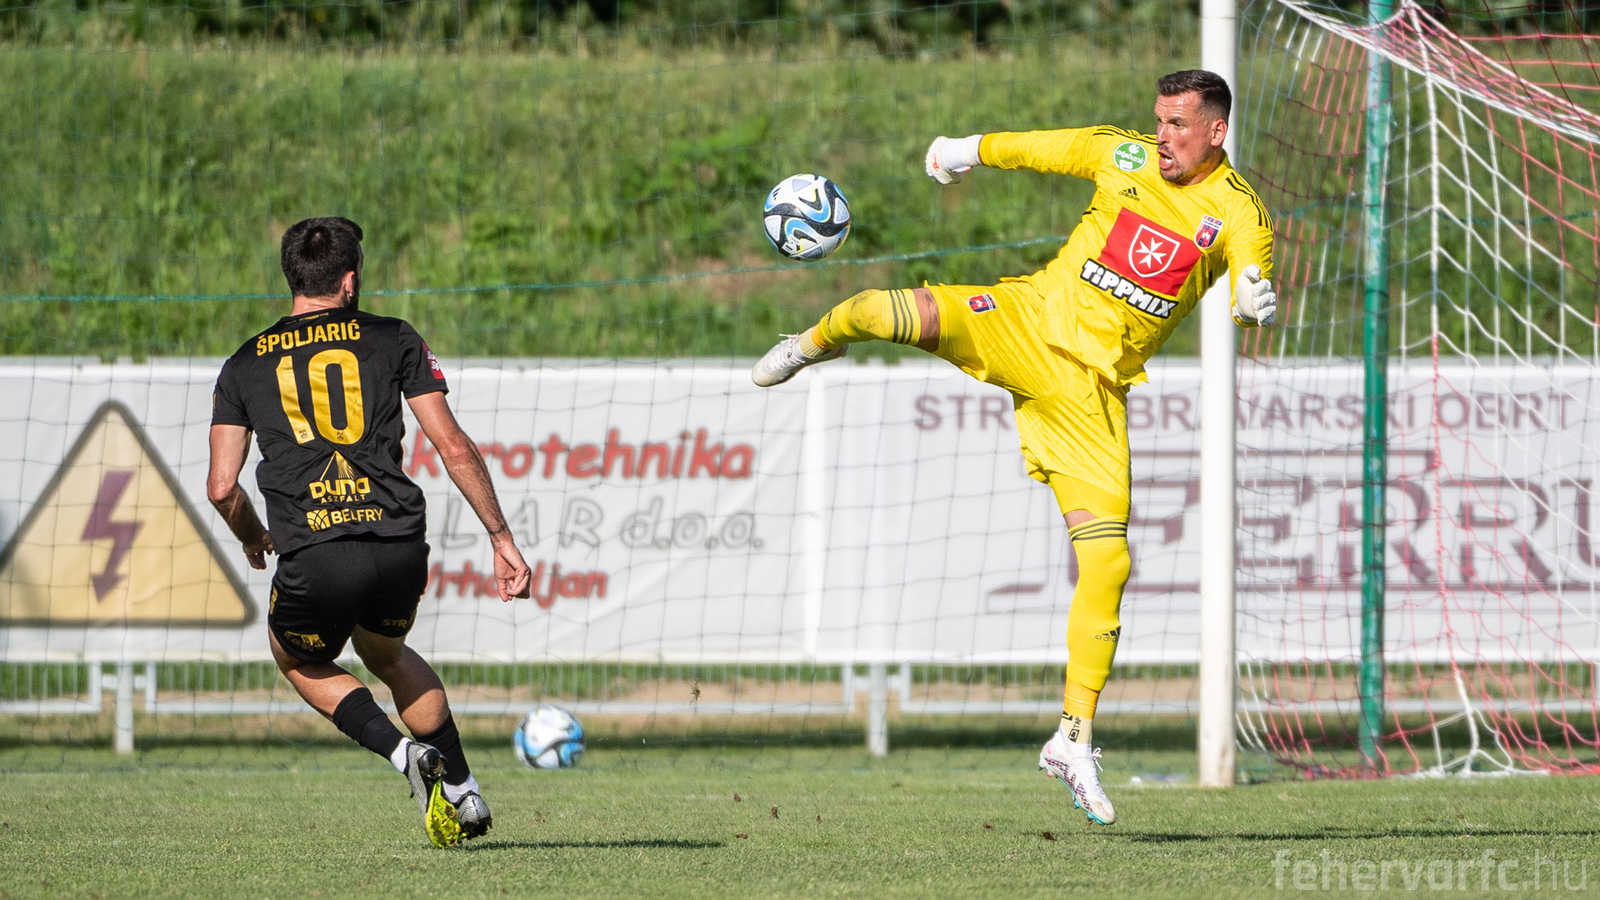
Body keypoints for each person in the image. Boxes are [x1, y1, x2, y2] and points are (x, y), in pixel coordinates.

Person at [751, 70, 1277, 825]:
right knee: (873, 310)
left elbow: (1251, 273)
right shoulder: (1123, 154)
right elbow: (1041, 148)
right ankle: (805, 344)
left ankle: (1072, 739)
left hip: (1089, 397)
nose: (1162, 137)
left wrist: (1250, 302)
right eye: (1159, 121)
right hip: (1026, 321)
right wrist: (963, 149)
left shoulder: (1238, 209)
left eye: (1179, 125)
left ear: (1216, 131)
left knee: (1109, 563)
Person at [206, 217, 533, 847]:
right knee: (386, 654)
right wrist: (500, 537)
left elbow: (222, 487)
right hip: (398, 545)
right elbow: (454, 447)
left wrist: (251, 536)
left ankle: (401, 752)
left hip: (315, 550)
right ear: (350, 281)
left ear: (292, 278)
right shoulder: (394, 337)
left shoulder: (243, 363)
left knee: (297, 656)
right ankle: (463, 788)